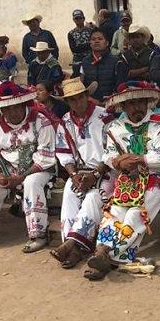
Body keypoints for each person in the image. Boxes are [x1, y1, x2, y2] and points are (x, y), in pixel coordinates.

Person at [84, 82, 160, 281]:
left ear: (148, 102)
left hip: (154, 180)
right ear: (122, 107)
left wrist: (135, 159)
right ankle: (104, 254)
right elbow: (107, 157)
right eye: (131, 104)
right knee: (113, 213)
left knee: (134, 215)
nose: (137, 107)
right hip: (126, 183)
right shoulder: (115, 127)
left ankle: (104, 256)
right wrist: (117, 161)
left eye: (141, 102)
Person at [0, 81, 56, 254]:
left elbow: (45, 156)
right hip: (8, 172)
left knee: (32, 182)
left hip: (37, 170)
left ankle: (38, 234)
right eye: (6, 109)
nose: (11, 112)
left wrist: (22, 176)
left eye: (16, 107)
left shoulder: (40, 121)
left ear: (23, 104)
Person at [49, 77, 114, 269]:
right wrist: (73, 175)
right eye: (72, 100)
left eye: (79, 97)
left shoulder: (105, 118)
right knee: (69, 193)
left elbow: (113, 151)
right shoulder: (66, 122)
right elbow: (64, 153)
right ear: (67, 102)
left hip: (106, 171)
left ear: (87, 96)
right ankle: (72, 247)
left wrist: (95, 174)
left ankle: (73, 246)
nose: (77, 102)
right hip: (79, 172)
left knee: (93, 198)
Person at [78, 28, 119, 102]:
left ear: (107, 43)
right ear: (90, 43)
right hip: (90, 103)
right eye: (93, 39)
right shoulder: (85, 61)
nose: (96, 41)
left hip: (111, 103)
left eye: (100, 39)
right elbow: (81, 85)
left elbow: (119, 85)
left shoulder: (116, 61)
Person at [67, 9, 92, 74]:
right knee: (77, 80)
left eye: (80, 18)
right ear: (74, 20)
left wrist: (79, 47)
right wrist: (87, 45)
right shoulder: (71, 33)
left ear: (83, 18)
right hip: (77, 61)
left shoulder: (91, 31)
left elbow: (92, 45)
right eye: (76, 18)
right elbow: (73, 49)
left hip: (90, 59)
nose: (78, 20)